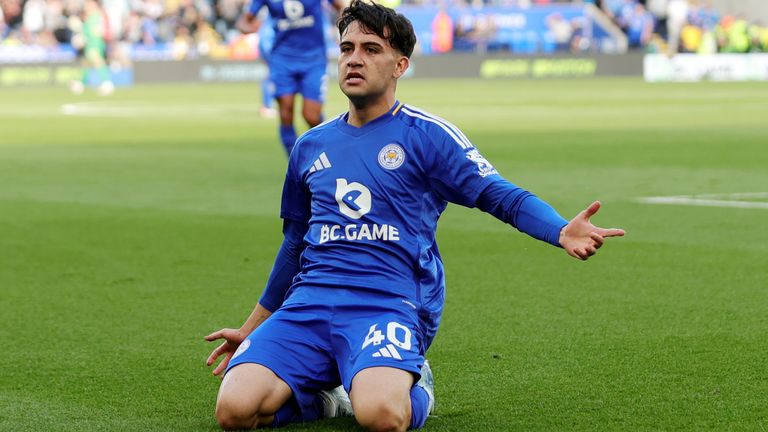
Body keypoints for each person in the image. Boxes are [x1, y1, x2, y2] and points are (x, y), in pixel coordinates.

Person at [205, 1, 626, 431]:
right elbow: (295, 243)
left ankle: (415, 380)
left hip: (387, 304)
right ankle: (328, 402)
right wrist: (251, 326)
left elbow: (500, 196)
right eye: (347, 48)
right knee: (234, 411)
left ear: (400, 65)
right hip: (309, 303)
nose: (354, 58)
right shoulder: (310, 146)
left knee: (384, 418)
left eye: (371, 49)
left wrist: (559, 229)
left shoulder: (427, 135)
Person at [237, 0, 345, 155]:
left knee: (311, 115)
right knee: (286, 112)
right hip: (282, 60)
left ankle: (328, 152)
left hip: (313, 59)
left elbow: (340, 6)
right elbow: (245, 20)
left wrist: (343, 29)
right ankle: (295, 161)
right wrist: (249, 28)